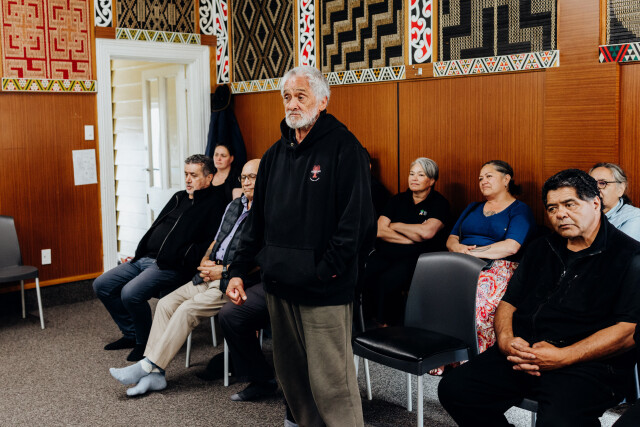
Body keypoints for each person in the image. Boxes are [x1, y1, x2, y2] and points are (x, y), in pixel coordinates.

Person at [226, 65, 375, 427]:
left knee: (332, 385)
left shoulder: (345, 149)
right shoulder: (273, 156)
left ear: (322, 101)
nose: (292, 104)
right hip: (279, 287)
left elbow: (356, 225)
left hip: (323, 290)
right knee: (293, 379)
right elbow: (256, 223)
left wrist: (324, 272)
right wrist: (237, 270)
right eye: (287, 97)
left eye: (301, 96)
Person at [438, 169, 640, 427]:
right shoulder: (541, 247)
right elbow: (509, 302)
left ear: (595, 203)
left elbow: (628, 331)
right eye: (552, 208)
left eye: (569, 204)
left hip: (588, 364)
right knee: (456, 389)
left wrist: (563, 356)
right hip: (525, 350)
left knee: (558, 422)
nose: (560, 214)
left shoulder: (630, 256)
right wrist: (506, 341)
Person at [108, 159, 261, 396]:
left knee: (186, 310)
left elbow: (259, 260)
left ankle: (149, 366)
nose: (247, 182)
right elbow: (216, 240)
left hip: (231, 282)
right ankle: (156, 376)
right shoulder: (234, 205)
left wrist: (224, 270)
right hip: (207, 274)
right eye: (243, 177)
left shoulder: (267, 212)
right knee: (166, 304)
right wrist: (205, 260)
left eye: (253, 177)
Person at [94, 155, 227, 361]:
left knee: (130, 293)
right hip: (144, 258)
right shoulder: (179, 197)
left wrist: (181, 257)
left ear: (209, 178)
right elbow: (158, 226)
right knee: (102, 285)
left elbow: (210, 243)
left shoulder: (216, 204)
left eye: (193, 175)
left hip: (170, 265)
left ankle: (145, 342)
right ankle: (131, 333)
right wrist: (141, 251)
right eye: (186, 174)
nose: (188, 179)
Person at [446, 160, 534, 356]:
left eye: (488, 176)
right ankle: (442, 355)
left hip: (497, 266)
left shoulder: (519, 209)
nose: (483, 181)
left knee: (473, 301)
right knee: (438, 293)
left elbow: (511, 247)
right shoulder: (472, 207)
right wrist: (457, 248)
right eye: (480, 178)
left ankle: (474, 357)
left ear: (506, 179)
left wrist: (469, 253)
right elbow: (451, 238)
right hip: (460, 262)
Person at [363, 157, 450, 327]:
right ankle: (366, 322)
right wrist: (412, 237)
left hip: (418, 258)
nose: (414, 178)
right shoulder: (397, 200)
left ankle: (386, 325)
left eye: (420, 175)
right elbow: (379, 230)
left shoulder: (439, 203)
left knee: (389, 280)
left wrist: (395, 225)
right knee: (365, 272)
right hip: (387, 253)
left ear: (432, 180)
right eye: (411, 174)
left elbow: (427, 232)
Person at [589, 162, 640, 241]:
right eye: (591, 184)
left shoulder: (635, 217)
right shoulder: (582, 213)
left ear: (620, 189)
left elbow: (623, 248)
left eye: (602, 183)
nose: (595, 190)